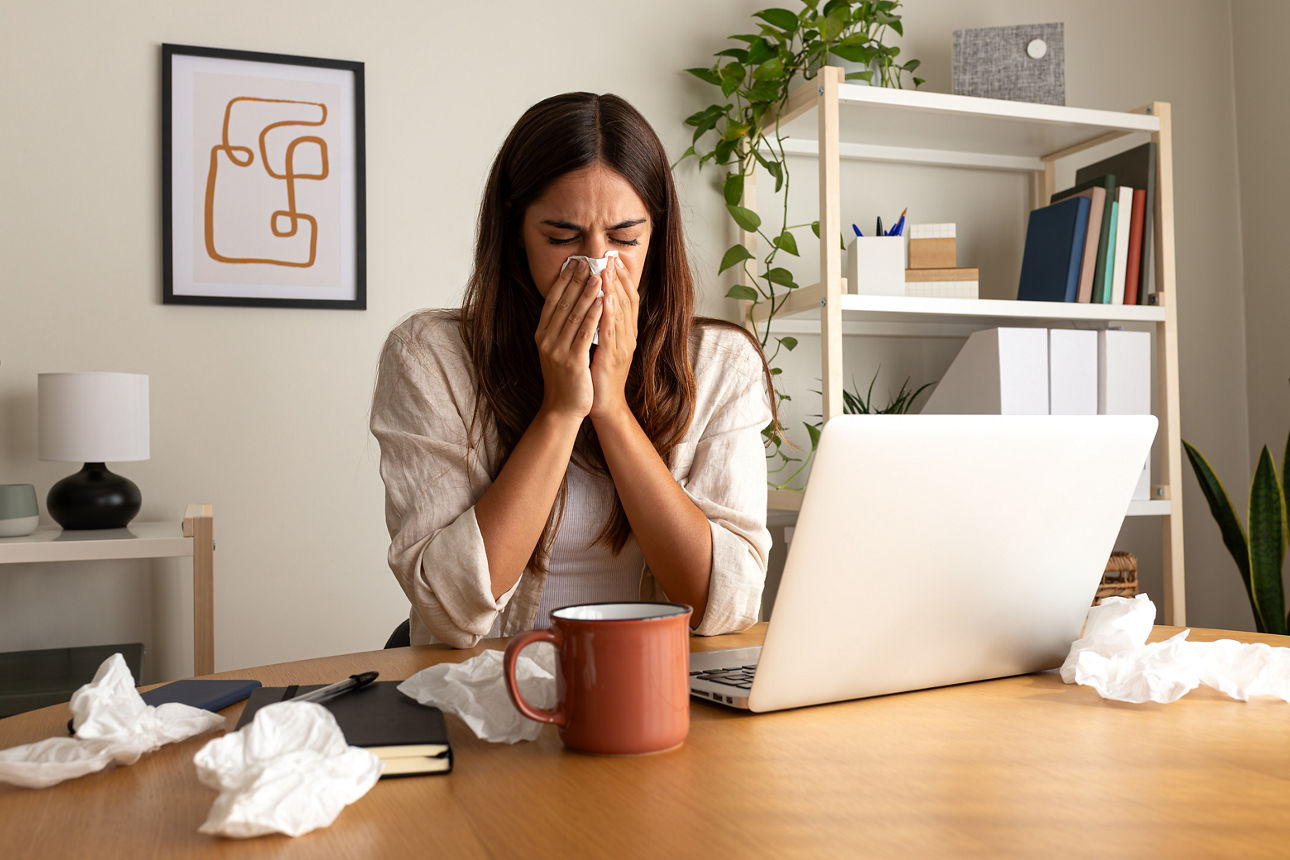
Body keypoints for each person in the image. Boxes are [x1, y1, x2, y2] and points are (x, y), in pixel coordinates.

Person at [370, 92, 773, 648]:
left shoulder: (720, 363)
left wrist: (611, 408)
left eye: (625, 239)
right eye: (562, 238)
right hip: (490, 679)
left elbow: (725, 603)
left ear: (655, 234)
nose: (597, 265)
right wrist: (561, 410)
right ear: (516, 230)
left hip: (650, 684)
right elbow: (447, 608)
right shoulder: (430, 357)